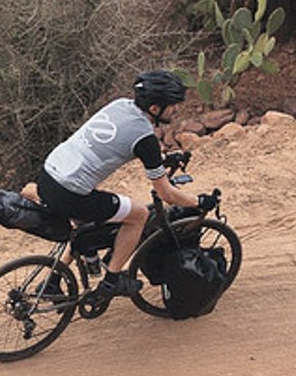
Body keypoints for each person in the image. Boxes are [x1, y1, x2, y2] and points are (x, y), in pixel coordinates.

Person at [36, 69, 215, 299]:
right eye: (173, 105)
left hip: (48, 176)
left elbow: (118, 142)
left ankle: (51, 282)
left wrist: (161, 161)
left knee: (85, 229)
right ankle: (112, 280)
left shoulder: (119, 105)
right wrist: (199, 201)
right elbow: (166, 193)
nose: (177, 109)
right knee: (138, 214)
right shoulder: (145, 138)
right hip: (70, 191)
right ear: (155, 108)